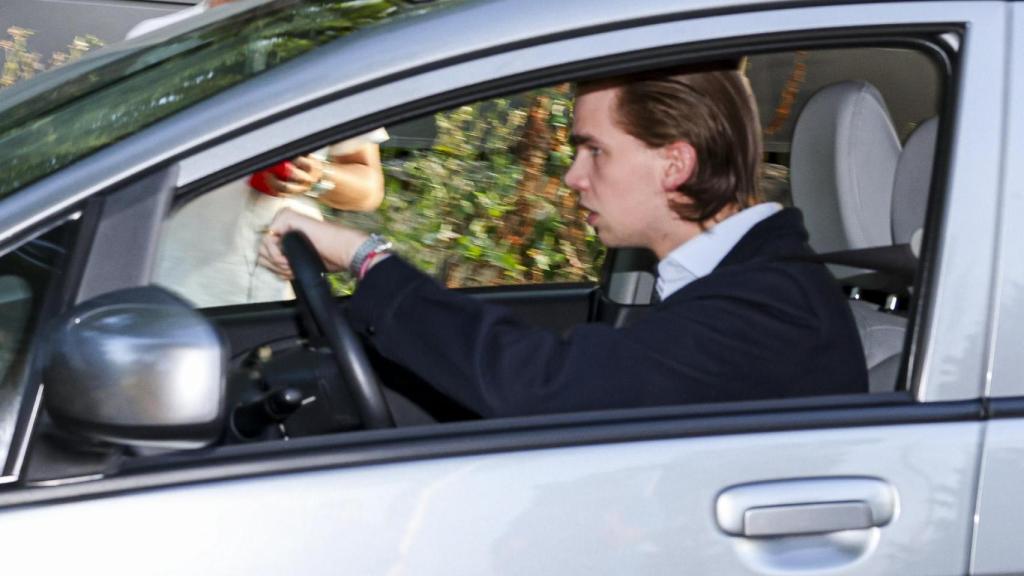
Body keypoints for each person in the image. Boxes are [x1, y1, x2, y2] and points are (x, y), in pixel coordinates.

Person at [258, 65, 869, 417]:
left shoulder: (770, 303)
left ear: (674, 165)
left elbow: (542, 385)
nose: (573, 176)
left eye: (594, 150)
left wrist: (365, 257)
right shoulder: (741, 281)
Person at [129, 0, 389, 307]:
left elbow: (369, 188)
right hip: (152, 289)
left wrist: (318, 177)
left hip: (264, 305)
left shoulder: (326, 49)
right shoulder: (152, 41)